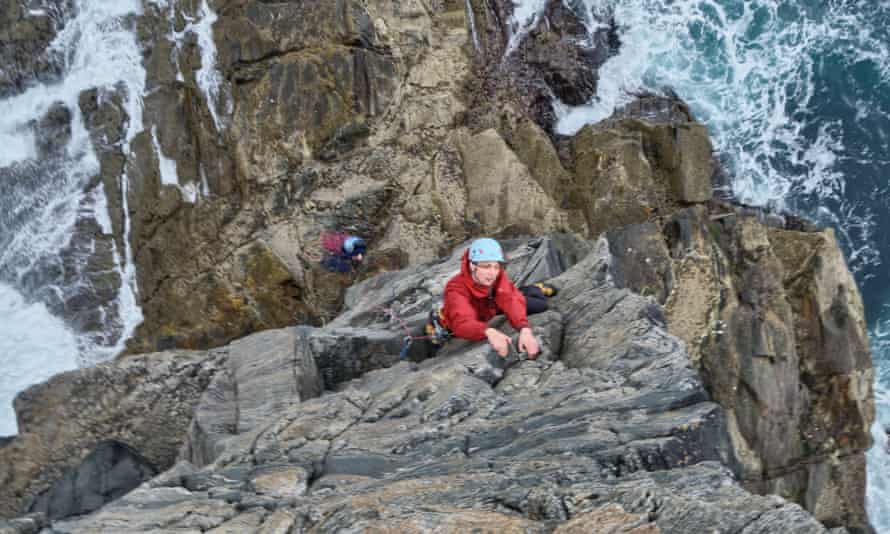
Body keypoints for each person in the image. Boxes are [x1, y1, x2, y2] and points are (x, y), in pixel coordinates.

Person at [426, 237, 557, 359]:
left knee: (540, 305)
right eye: (486, 266)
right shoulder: (455, 288)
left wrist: (524, 329)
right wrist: (488, 332)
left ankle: (534, 289)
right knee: (437, 344)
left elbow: (509, 298)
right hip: (462, 317)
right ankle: (436, 319)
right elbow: (462, 321)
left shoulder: (496, 275)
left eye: (496, 266)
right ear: (473, 266)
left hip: (490, 306)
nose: (492, 273)